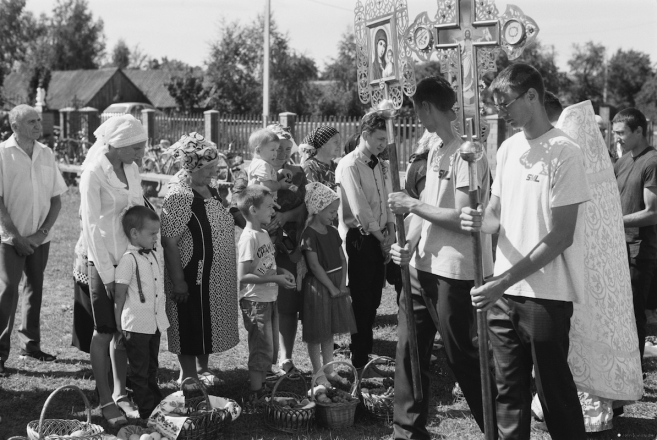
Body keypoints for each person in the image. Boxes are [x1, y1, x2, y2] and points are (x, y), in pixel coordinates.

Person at [460, 63, 589, 439]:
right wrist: (478, 219)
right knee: (507, 394)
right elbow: (496, 214)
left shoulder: (565, 152)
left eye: (506, 102)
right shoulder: (508, 147)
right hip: (504, 294)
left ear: (532, 95)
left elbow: (561, 236)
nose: (501, 111)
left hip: (545, 296)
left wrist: (502, 282)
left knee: (554, 395)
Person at [388, 76, 495, 440]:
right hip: (420, 268)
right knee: (408, 352)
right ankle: (407, 431)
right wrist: (409, 243)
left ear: (426, 107)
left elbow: (465, 219)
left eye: (417, 109)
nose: (416, 117)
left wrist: (412, 203)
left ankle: (497, 430)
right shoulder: (435, 148)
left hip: (454, 271)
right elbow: (427, 210)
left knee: (461, 356)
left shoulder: (468, 152)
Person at [80, 114, 148, 426]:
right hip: (103, 261)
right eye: (136, 147)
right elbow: (91, 228)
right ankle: (106, 400)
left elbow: (136, 210)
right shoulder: (93, 173)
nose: (141, 153)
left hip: (131, 259)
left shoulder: (132, 169)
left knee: (126, 328)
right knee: (105, 329)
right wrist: (108, 275)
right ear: (118, 145)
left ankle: (121, 393)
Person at [161, 132, 240, 389]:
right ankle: (187, 375)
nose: (213, 172)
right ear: (190, 167)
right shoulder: (179, 195)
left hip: (213, 275)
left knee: (205, 322)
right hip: (190, 272)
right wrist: (179, 281)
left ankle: (202, 369)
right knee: (188, 320)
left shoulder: (209, 187)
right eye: (207, 168)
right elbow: (169, 240)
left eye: (214, 167)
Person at [0, 104, 67, 377]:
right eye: (31, 121)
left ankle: (30, 345)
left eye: (39, 120)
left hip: (41, 238)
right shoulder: (2, 154)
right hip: (9, 239)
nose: (39, 125)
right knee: (8, 291)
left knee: (35, 288)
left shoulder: (46, 153)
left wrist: (39, 235)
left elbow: (56, 199)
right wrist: (15, 237)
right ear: (14, 127)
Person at [335, 111, 395, 376]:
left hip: (381, 236)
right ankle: (358, 359)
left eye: (386, 139)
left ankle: (364, 352)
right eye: (380, 138)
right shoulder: (349, 165)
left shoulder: (381, 164)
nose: (384, 144)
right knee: (361, 300)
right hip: (360, 238)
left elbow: (388, 198)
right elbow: (359, 208)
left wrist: (391, 228)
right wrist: (381, 239)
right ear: (365, 135)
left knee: (373, 300)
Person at [234, 185, 296, 402]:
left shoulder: (263, 233)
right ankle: (256, 393)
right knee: (261, 348)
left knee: (269, 347)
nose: (273, 211)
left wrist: (280, 271)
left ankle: (261, 384)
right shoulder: (249, 237)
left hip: (269, 299)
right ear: (253, 210)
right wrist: (274, 279)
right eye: (269, 207)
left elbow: (266, 263)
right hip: (255, 302)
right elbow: (243, 276)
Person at [114, 206, 169, 419]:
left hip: (153, 323)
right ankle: (146, 411)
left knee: (152, 367)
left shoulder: (153, 255)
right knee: (139, 370)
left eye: (157, 232)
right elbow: (119, 295)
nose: (156, 237)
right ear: (135, 233)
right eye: (152, 233)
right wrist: (119, 323)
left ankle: (154, 402)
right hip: (136, 325)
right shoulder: (129, 260)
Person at [299, 182, 356, 387]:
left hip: (335, 283)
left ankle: (329, 369)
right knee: (317, 332)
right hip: (319, 287)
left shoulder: (332, 231)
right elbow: (314, 266)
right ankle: (318, 373)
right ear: (317, 209)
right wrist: (331, 287)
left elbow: (342, 259)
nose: (334, 215)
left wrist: (341, 284)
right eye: (331, 211)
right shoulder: (309, 234)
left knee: (329, 329)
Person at [612, 108, 657, 366]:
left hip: (638, 251)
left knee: (633, 313)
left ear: (639, 131)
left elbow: (652, 213)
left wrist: (613, 222)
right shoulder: (624, 160)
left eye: (621, 133)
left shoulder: (652, 162)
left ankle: (634, 370)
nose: (617, 138)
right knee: (618, 311)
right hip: (618, 246)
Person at [263, 124, 307, 379]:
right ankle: (265, 361)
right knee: (265, 304)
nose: (282, 153)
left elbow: (306, 207)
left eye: (288, 149)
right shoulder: (256, 171)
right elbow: (238, 204)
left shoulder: (298, 173)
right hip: (263, 247)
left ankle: (286, 357)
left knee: (288, 305)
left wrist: (284, 215)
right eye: (278, 148)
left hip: (290, 245)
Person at [246, 128, 292, 201]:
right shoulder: (262, 165)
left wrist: (279, 173)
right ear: (258, 150)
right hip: (260, 203)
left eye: (276, 150)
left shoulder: (256, 163)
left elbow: (267, 178)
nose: (275, 153)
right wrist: (280, 185)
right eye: (272, 150)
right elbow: (266, 186)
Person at [301, 126, 340, 191]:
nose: (339, 146)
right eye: (335, 142)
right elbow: (313, 196)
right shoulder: (309, 167)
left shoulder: (336, 166)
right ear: (322, 143)